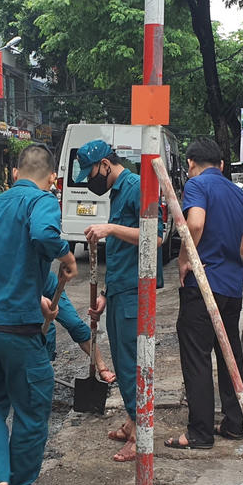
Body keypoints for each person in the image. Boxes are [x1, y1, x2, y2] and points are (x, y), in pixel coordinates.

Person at [0, 143, 77, 485]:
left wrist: (34, 287)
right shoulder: (41, 201)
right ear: (52, 179)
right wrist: (66, 253)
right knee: (30, 408)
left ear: (14, 173)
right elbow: (44, 236)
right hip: (16, 325)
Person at [164, 138, 243, 451]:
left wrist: (186, 259)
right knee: (229, 354)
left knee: (196, 355)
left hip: (203, 285)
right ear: (223, 165)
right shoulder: (240, 196)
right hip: (232, 286)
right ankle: (234, 424)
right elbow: (241, 247)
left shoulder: (196, 185)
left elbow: (195, 223)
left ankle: (200, 432)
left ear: (190, 163)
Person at [77, 139, 161, 462]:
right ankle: (132, 419)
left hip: (136, 290)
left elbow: (155, 234)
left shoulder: (138, 185)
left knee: (130, 363)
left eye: (91, 173)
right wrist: (104, 294)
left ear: (105, 165)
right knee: (124, 357)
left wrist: (110, 228)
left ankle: (142, 432)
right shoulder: (118, 191)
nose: (89, 180)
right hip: (120, 289)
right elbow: (121, 255)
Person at [43, 270, 115, 379]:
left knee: (75, 324)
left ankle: (101, 366)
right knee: (46, 329)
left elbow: (63, 254)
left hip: (50, 286)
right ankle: (43, 371)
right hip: (25, 292)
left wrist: (67, 261)